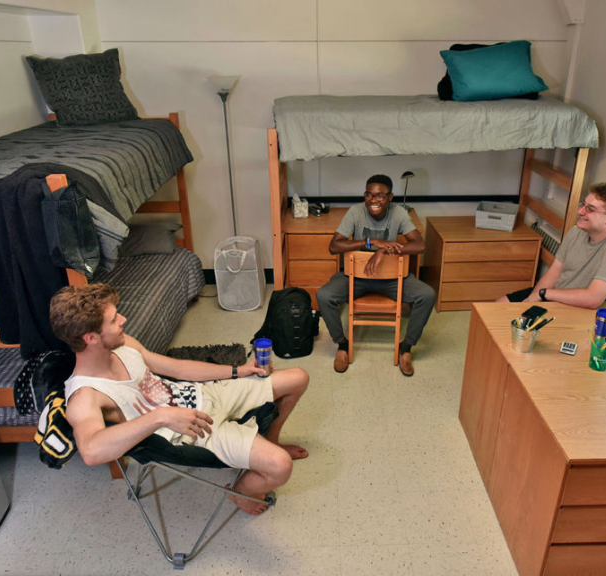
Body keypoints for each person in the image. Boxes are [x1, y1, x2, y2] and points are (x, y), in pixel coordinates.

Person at [50, 283, 309, 515]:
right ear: (91, 338)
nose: (123, 320)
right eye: (113, 319)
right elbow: (92, 452)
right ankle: (239, 491)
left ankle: (272, 440)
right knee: (280, 466)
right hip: (195, 431)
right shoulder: (85, 395)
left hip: (204, 395)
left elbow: (178, 369)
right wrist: (160, 416)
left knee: (298, 378)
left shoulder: (123, 344)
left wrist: (238, 371)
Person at [316, 174, 435, 377]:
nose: (374, 200)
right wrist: (369, 242)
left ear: (390, 197)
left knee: (427, 295)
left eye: (380, 196)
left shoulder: (399, 213)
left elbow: (419, 245)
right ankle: (342, 345)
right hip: (356, 278)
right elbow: (334, 246)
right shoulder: (355, 212)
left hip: (390, 279)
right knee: (324, 296)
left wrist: (385, 250)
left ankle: (406, 348)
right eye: (369, 195)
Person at [499, 182, 606, 308]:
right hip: (559, 297)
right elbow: (554, 272)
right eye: (583, 204)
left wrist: (544, 294)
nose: (580, 212)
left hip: (588, 312)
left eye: (590, 209)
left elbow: (592, 299)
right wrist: (532, 300)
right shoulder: (577, 231)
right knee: (499, 305)